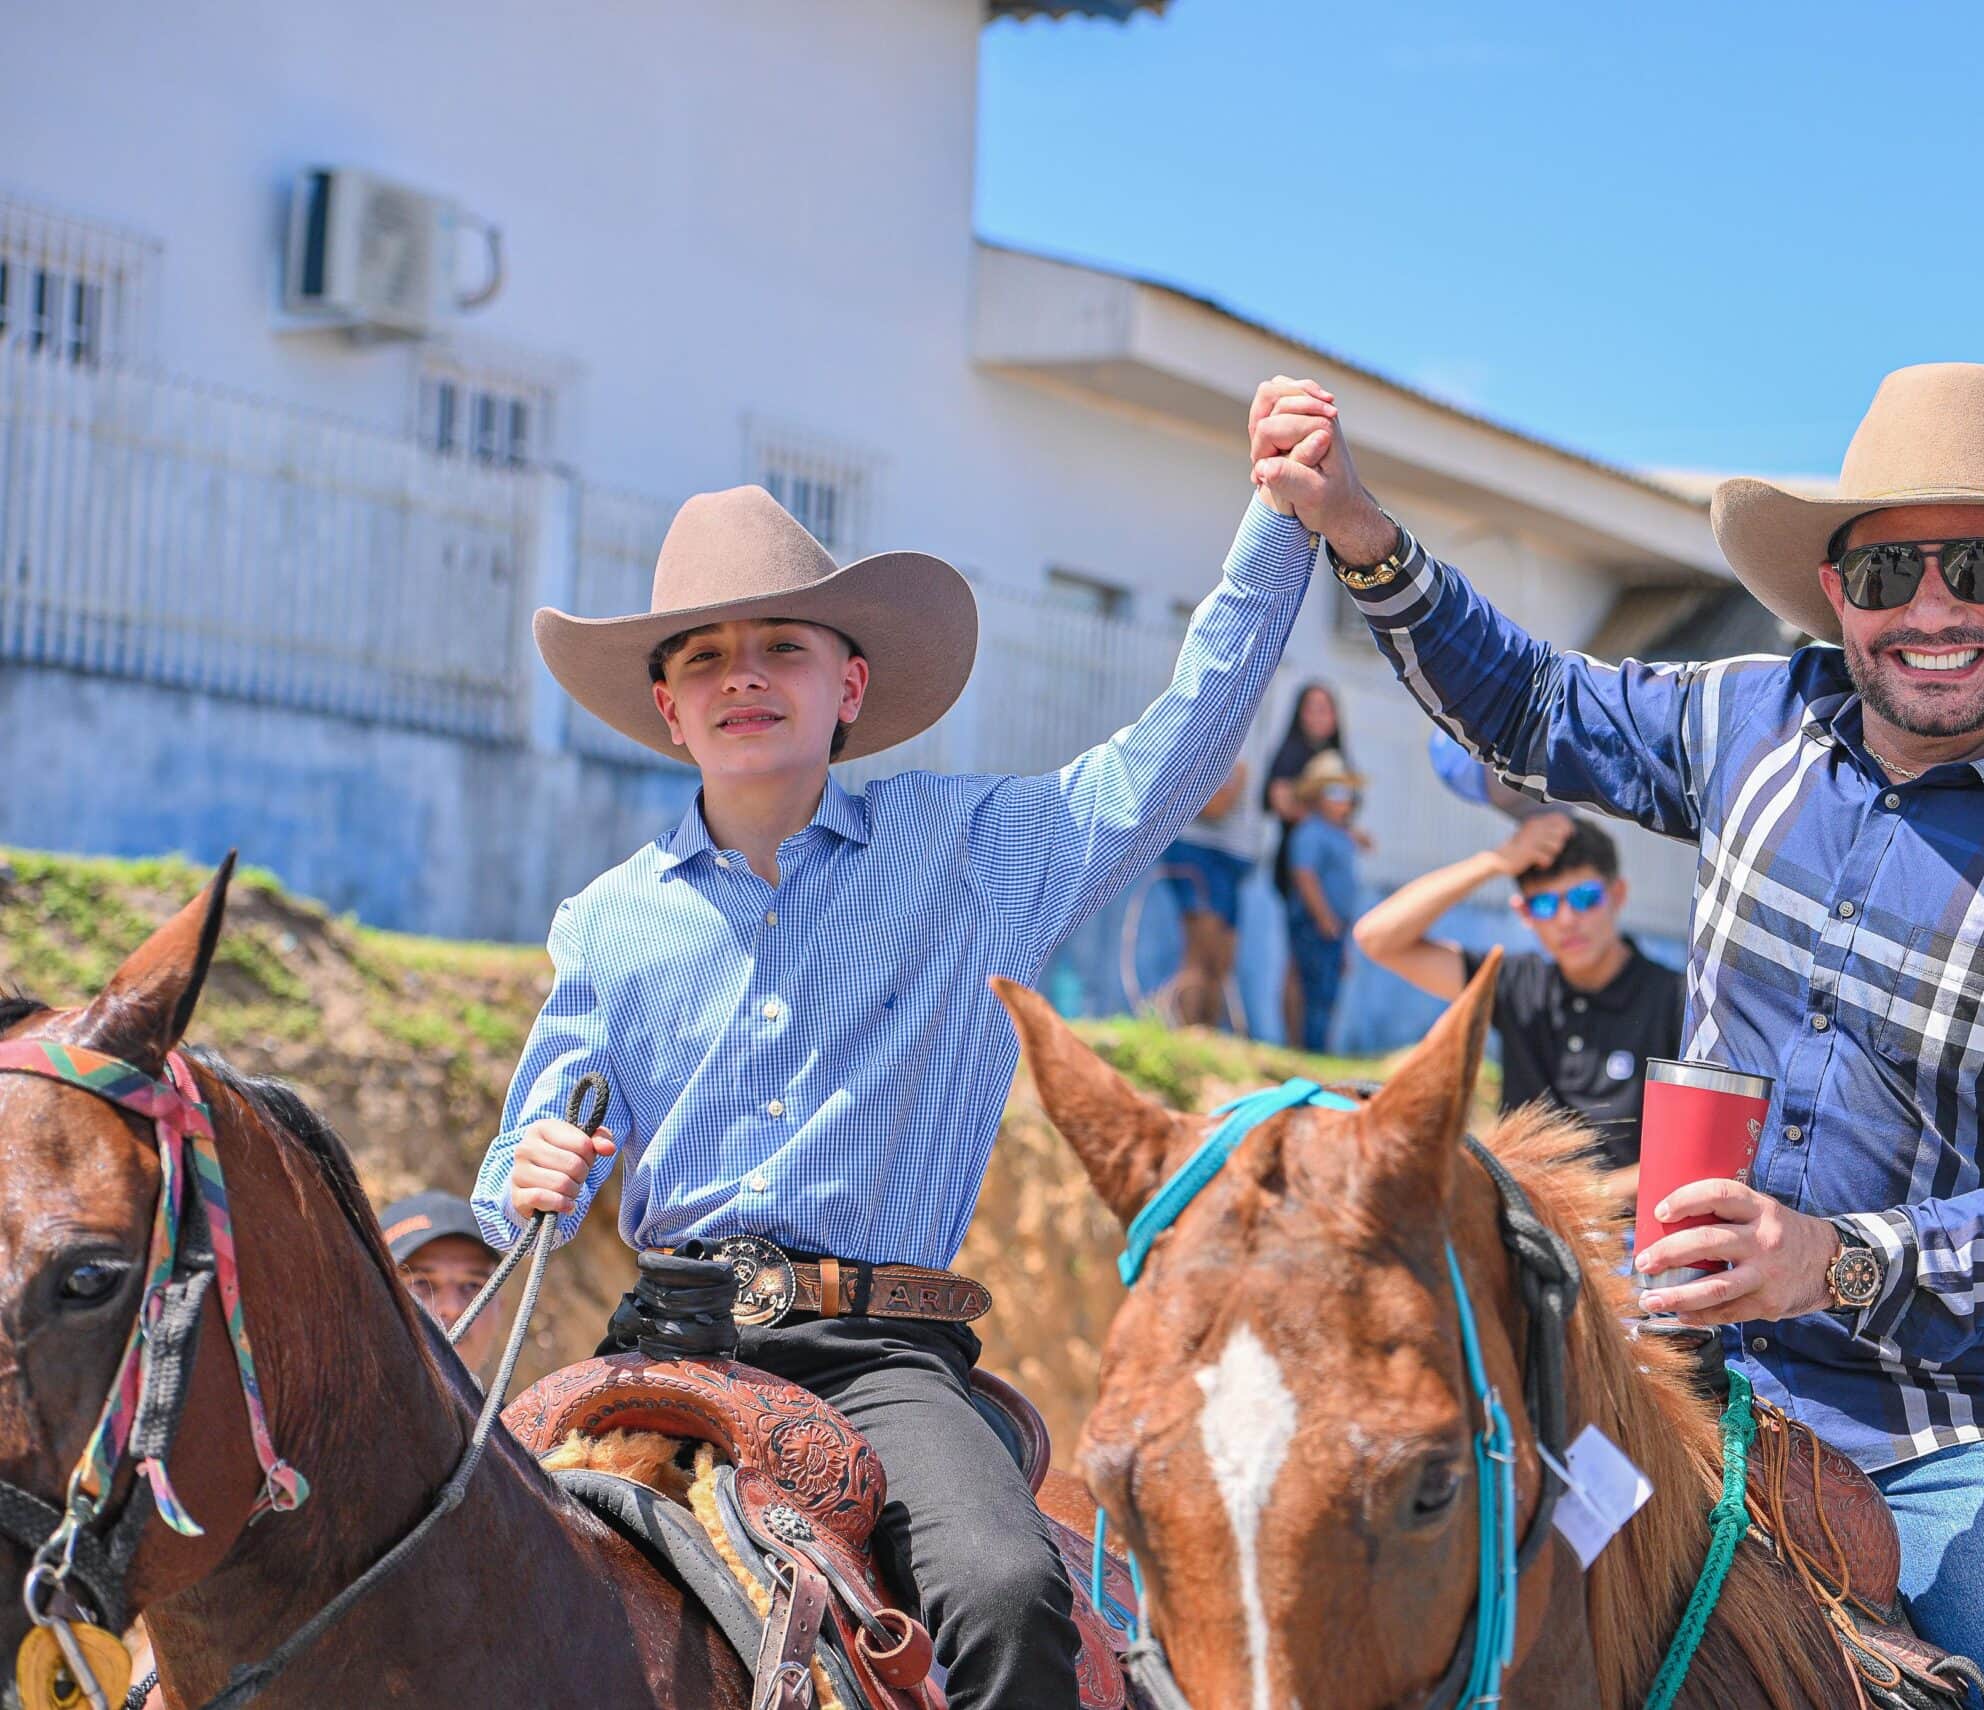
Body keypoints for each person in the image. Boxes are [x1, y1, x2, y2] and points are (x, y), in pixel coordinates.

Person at [1254, 362, 1984, 1707]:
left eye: (1980, 566)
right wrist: (1364, 535)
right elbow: (1531, 707)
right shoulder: (1745, 720)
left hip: (1955, 1441)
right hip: (1661, 1385)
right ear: (1835, 590)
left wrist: (1834, 1260)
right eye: (1887, 572)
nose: (1932, 609)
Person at [471, 376, 1326, 1708]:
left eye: (782, 646)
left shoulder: (975, 853)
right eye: (701, 656)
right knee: (469, 1590)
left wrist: (1278, 525)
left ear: (850, 686)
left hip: (876, 1358)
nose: (741, 674)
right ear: (668, 709)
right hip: (659, 1342)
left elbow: (1172, 753)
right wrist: (526, 1174)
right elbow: (520, 1172)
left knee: (1004, 1588)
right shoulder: (605, 922)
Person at [1355, 811, 1682, 1206]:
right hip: (1523, 1224)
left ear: (1617, 895)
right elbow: (1376, 938)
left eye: (1584, 898)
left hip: (1626, 1228)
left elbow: (1693, 1147)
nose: (1567, 920)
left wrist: (1584, 1197)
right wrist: (1494, 862)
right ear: (1524, 913)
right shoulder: (1517, 984)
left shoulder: (1674, 998)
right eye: (1544, 905)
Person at [1264, 680, 1351, 1044]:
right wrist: (1317, 815)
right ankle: (1296, 1040)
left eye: (1326, 708)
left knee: (1323, 974)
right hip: (1300, 876)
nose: (1319, 716)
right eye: (1312, 708)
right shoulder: (1290, 754)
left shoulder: (1337, 756)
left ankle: (1310, 1043)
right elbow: (1277, 801)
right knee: (1299, 964)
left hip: (1327, 878)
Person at [1156, 759, 1253, 1028]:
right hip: (1197, 848)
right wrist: (1236, 781)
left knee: (1221, 961)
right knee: (1200, 953)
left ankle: (1206, 1033)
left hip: (1232, 856)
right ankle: (1188, 1030)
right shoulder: (1215, 740)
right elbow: (1214, 807)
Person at [1281, 748, 1364, 1050]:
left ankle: (1319, 1046)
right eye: (1335, 791)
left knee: (1329, 990)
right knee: (1314, 988)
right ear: (1317, 796)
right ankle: (1310, 1047)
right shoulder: (1310, 832)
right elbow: (1305, 876)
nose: (1343, 799)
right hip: (1314, 922)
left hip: (1335, 925)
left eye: (1347, 793)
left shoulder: (1341, 835)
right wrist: (1323, 917)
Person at [381, 1189, 506, 1378]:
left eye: (473, 1286)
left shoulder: (538, 1398)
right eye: (421, 1284)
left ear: (500, 1307)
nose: (453, 1308)